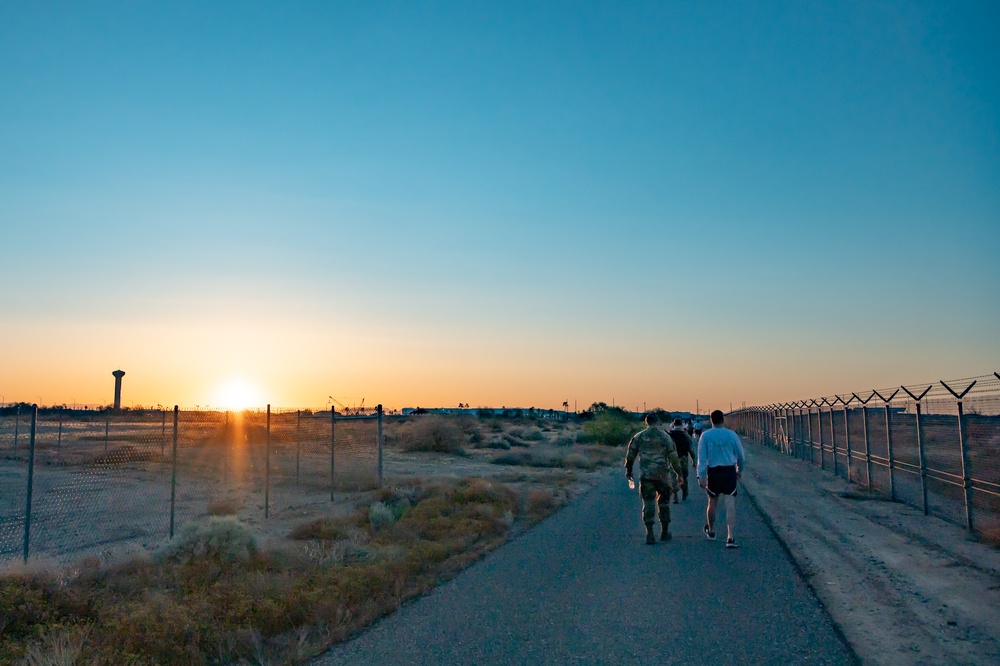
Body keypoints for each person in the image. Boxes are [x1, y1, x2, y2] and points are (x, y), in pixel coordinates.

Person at [625, 413, 684, 544]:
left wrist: (629, 471)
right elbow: (673, 457)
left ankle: (650, 533)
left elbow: (630, 455)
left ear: (646, 423)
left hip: (646, 476)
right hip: (662, 476)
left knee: (648, 503)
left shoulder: (639, 437)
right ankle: (664, 531)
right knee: (664, 503)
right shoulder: (665, 437)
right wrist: (679, 474)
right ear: (657, 422)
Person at [696, 409, 746, 549]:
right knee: (730, 503)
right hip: (729, 471)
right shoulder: (731, 435)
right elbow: (741, 456)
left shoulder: (705, 436)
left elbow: (702, 458)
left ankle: (711, 531)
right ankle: (730, 537)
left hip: (714, 471)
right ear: (723, 420)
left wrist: (701, 476)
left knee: (712, 502)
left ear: (711, 420)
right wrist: (739, 470)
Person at [667, 419, 697, 503]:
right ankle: (684, 492)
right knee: (684, 476)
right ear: (681, 425)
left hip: (672, 459)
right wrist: (694, 460)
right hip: (683, 458)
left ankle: (675, 496)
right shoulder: (685, 434)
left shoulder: (669, 435)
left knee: (673, 477)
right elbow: (690, 448)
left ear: (673, 425)